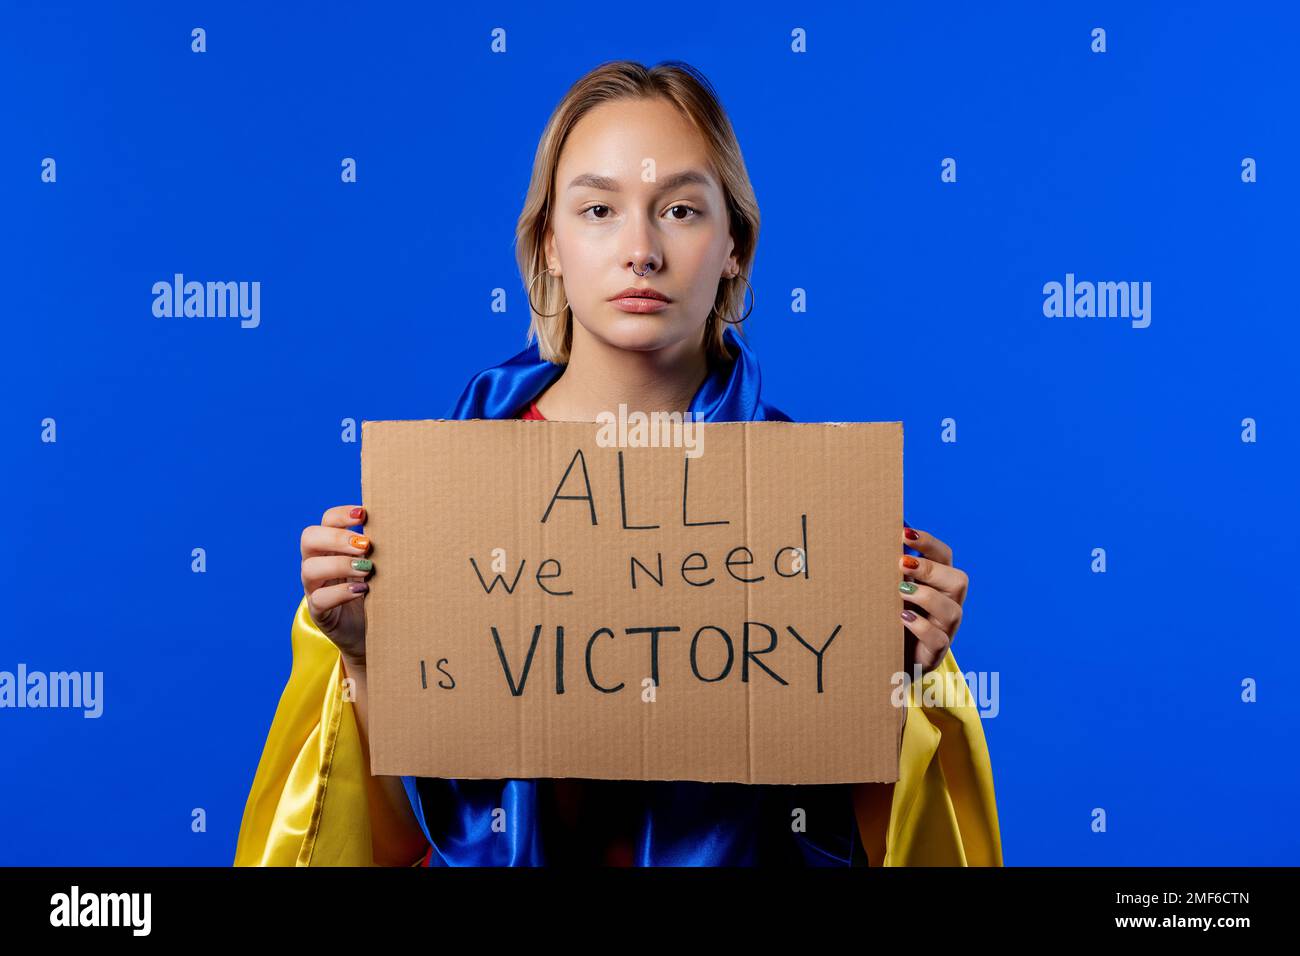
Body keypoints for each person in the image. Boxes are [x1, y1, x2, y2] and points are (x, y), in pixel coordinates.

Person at [234, 60, 1002, 867]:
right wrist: (362, 660)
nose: (641, 250)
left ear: (734, 245)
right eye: (599, 209)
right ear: (550, 245)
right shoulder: (436, 493)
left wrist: (906, 679)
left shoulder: (816, 511)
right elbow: (376, 835)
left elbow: (866, 826)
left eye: (679, 209)